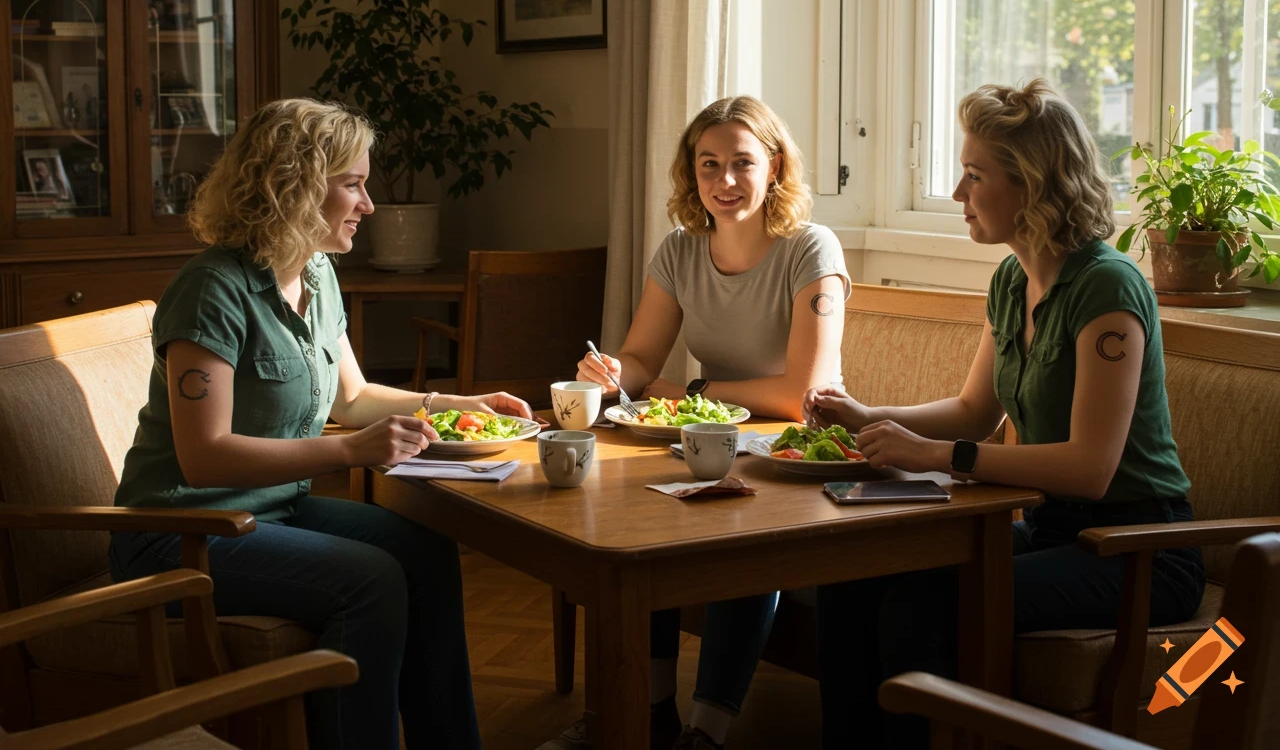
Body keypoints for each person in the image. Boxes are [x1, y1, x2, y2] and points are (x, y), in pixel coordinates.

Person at [109, 98, 534, 750]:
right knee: (372, 581)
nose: (367, 204)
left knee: (425, 551)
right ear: (297, 187)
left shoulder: (317, 273)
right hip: (180, 531)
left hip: (268, 512)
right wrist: (348, 456)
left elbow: (354, 399)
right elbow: (205, 457)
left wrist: (457, 405)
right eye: (353, 184)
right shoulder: (211, 290)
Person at [806, 80, 1205, 749]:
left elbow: (1091, 467)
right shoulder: (1013, 279)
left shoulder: (1107, 286)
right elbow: (972, 411)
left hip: (1140, 550)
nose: (959, 195)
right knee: (853, 580)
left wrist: (936, 456)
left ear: (1034, 185)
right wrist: (865, 414)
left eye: (973, 176)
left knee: (925, 601)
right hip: (1053, 529)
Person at [539, 95, 850, 750]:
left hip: (800, 450)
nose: (725, 181)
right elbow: (643, 358)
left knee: (745, 536)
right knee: (633, 528)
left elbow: (805, 394)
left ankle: (706, 734)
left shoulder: (810, 248)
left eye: (742, 163)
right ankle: (647, 709)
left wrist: (693, 388)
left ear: (774, 168)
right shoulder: (681, 249)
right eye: (709, 165)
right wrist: (610, 373)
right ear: (691, 174)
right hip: (713, 439)